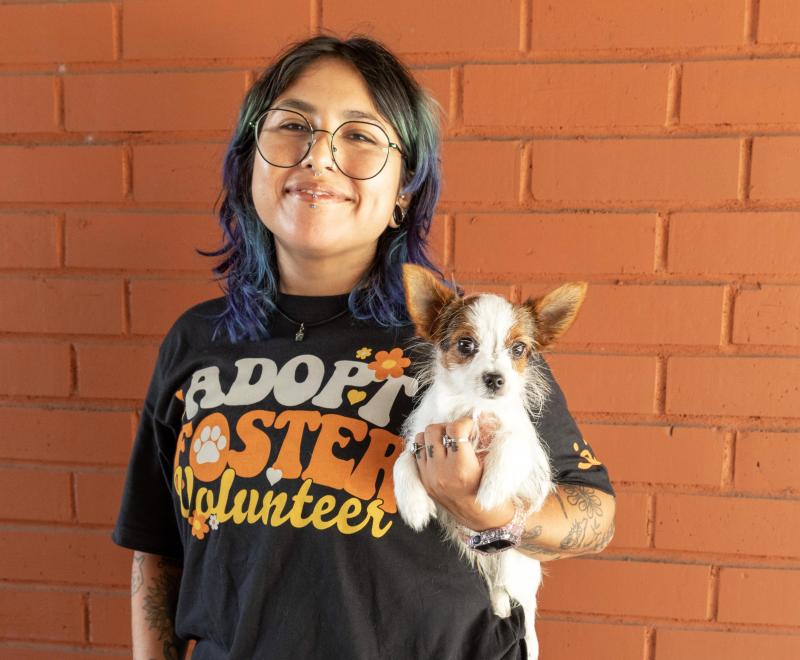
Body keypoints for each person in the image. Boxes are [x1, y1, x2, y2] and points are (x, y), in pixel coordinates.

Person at [112, 34, 616, 660]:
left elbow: (594, 513)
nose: (318, 159)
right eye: (292, 126)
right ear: (250, 165)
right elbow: (158, 547)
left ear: (406, 187)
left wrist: (495, 518)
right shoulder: (197, 340)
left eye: (359, 136)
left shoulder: (466, 345)